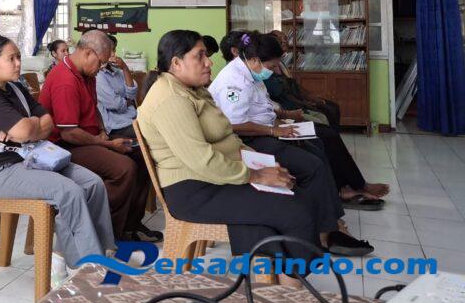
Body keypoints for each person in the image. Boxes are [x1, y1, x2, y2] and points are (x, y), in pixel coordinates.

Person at [138, 30, 347, 284]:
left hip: (217, 178)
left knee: (293, 193)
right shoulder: (170, 99)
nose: (209, 62)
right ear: (176, 63)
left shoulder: (194, 90)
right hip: (194, 191)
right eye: (200, 56)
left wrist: (264, 164)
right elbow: (202, 160)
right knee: (296, 209)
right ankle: (292, 287)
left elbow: (229, 137)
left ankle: (280, 285)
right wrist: (256, 175)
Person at [209, 31, 373, 255]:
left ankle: (331, 224)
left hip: (263, 132)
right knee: (311, 166)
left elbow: (262, 108)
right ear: (254, 59)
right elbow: (234, 124)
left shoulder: (250, 72)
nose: (274, 69)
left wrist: (280, 122)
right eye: (271, 65)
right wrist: (273, 130)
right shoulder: (234, 82)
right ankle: (326, 234)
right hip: (245, 142)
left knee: (316, 147)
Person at [0, 34, 115, 279]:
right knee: (69, 191)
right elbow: (27, 130)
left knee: (93, 183)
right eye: (11, 59)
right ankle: (86, 268)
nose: (18, 63)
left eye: (18, 57)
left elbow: (47, 121)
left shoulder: (15, 88)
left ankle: (84, 252)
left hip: (30, 158)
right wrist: (28, 128)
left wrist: (27, 127)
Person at [39, 30, 160, 243]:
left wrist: (103, 132)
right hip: (63, 147)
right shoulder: (65, 80)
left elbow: (93, 108)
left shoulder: (87, 75)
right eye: (101, 63)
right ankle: (106, 233)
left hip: (87, 140)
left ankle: (130, 226)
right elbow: (69, 132)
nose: (102, 68)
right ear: (88, 53)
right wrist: (107, 144)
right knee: (124, 168)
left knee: (142, 155)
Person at [260, 32, 389, 208]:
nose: (284, 44)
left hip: (282, 118)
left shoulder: (272, 67)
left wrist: (307, 102)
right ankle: (350, 186)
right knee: (326, 134)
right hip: (278, 122)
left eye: (284, 41)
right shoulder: (255, 74)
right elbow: (273, 101)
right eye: (279, 42)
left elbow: (291, 90)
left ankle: (351, 182)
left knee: (331, 115)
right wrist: (282, 121)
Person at [268, 30, 341, 129]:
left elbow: (295, 87)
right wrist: (305, 103)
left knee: (333, 108)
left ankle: (333, 134)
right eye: (280, 40)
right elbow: (284, 94)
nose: (284, 41)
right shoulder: (269, 69)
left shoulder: (281, 64)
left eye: (285, 38)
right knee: (327, 112)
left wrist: (312, 99)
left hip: (298, 102)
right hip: (290, 107)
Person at [96, 35, 138, 139]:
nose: (113, 54)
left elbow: (132, 93)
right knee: (152, 133)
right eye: (109, 50)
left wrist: (125, 68)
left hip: (133, 118)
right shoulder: (98, 75)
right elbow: (116, 104)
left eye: (114, 50)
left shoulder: (117, 70)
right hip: (117, 126)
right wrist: (128, 101)